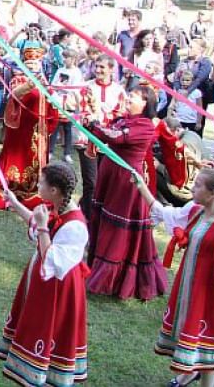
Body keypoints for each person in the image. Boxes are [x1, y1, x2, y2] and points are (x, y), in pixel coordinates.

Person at [135, 168, 214, 387]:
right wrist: (141, 186)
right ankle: (188, 375)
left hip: (212, 294)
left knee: (209, 342)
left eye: (198, 185)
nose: (192, 188)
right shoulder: (195, 211)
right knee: (194, 334)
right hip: (190, 285)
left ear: (213, 193)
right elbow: (163, 213)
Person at [0, 162, 89, 386]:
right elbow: (35, 221)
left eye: (42, 182)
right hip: (43, 282)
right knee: (37, 326)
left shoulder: (75, 226)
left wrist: (42, 227)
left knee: (52, 330)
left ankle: (46, 374)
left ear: (54, 190)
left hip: (59, 288)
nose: (38, 184)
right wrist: (15, 202)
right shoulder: (58, 209)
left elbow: (52, 259)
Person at [83, 84, 168, 301]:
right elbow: (105, 133)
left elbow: (115, 137)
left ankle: (112, 280)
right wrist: (91, 123)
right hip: (110, 177)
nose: (128, 99)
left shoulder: (146, 126)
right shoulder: (125, 119)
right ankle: (94, 268)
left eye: (134, 97)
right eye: (129, 95)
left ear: (146, 103)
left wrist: (96, 126)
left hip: (126, 183)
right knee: (102, 221)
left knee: (117, 228)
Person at [0, 45, 60, 210]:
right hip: (20, 132)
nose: (32, 66)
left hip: (38, 133)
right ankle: (2, 193)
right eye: (29, 63)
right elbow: (14, 94)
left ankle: (32, 193)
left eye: (35, 63)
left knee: (35, 162)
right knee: (13, 160)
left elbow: (52, 101)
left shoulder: (44, 82)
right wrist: (28, 86)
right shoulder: (18, 79)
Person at [76, 55, 125, 219]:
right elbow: (84, 113)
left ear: (111, 69)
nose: (98, 70)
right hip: (88, 141)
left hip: (109, 143)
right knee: (91, 183)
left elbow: (120, 116)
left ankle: (85, 210)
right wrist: (97, 118)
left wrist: (102, 118)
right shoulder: (87, 87)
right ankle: (89, 221)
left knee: (105, 184)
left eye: (102, 67)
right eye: (96, 66)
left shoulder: (119, 91)